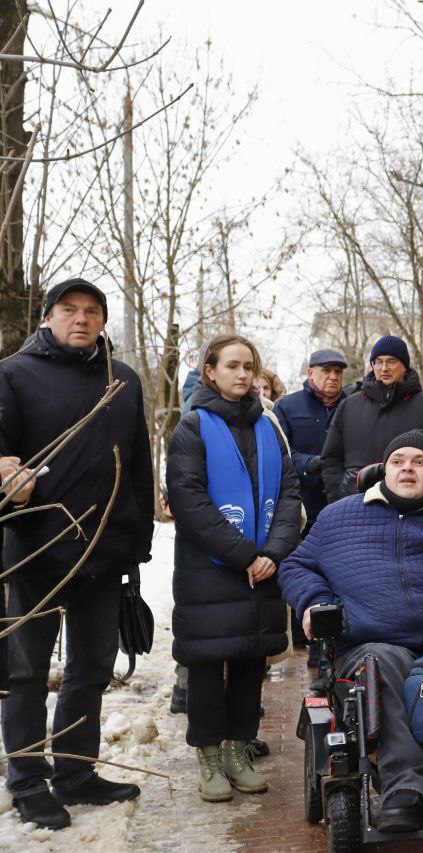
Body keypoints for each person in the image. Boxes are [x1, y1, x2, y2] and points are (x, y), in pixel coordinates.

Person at [280, 431, 423, 832]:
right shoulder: (339, 516)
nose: (407, 467)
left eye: (420, 461)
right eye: (398, 461)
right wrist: (315, 602)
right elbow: (296, 565)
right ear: (384, 471)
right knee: (383, 659)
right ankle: (403, 786)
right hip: (368, 641)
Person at [0, 278, 155, 830]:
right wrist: (10, 477)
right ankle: (26, 781)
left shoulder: (123, 380)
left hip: (104, 550)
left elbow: (137, 462)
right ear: (47, 318)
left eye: (92, 311)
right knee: (24, 673)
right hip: (34, 547)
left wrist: (137, 543)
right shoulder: (13, 374)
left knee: (90, 668)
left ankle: (75, 771)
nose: (81, 319)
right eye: (69, 310)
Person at [166, 334, 302, 803]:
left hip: (263, 570)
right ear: (210, 371)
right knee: (206, 667)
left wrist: (275, 553)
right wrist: (246, 554)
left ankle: (239, 753)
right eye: (233, 366)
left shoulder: (269, 426)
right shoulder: (191, 428)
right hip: (211, 570)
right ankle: (209, 760)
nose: (243, 375)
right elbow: (190, 502)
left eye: (249, 367)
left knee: (250, 662)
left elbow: (289, 494)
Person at [321, 335, 423, 502]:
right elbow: (330, 459)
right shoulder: (349, 406)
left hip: (411, 508)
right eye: (378, 362)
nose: (384, 368)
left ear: (404, 365)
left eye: (391, 361)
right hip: (354, 505)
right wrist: (338, 495)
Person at [275, 348, 351, 531]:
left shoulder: (354, 406)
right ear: (310, 373)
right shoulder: (286, 406)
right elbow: (280, 452)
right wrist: (309, 463)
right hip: (301, 507)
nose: (333, 376)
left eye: (338, 372)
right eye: (326, 371)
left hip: (344, 506)